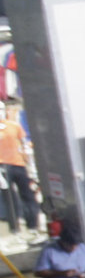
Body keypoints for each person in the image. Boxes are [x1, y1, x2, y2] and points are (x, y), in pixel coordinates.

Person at [0, 101, 39, 235]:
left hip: (19, 164)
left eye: (2, 109)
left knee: (28, 195)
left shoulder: (14, 126)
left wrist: (30, 165)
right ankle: (14, 227)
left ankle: (32, 225)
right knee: (9, 199)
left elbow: (24, 144)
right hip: (2, 167)